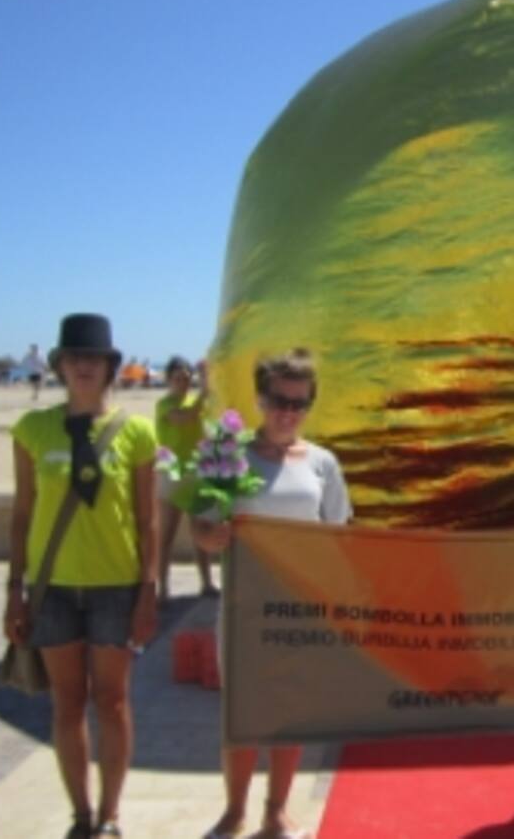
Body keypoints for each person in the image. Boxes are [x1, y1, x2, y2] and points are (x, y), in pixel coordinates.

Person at [2, 313, 159, 838]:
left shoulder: (137, 433)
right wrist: (13, 592)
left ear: (111, 367)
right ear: (61, 366)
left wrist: (148, 591)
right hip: (54, 589)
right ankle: (81, 815)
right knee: (67, 703)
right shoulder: (32, 429)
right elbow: (22, 514)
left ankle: (112, 815)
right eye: (74, 358)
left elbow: (147, 519)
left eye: (93, 358)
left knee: (113, 701)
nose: (83, 366)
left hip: (117, 586)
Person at [193, 349, 351, 839]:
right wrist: (207, 536)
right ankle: (235, 809)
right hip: (245, 606)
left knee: (290, 713)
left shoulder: (324, 463)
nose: (288, 411)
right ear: (260, 399)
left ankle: (276, 811)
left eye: (299, 403)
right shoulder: (227, 453)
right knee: (241, 712)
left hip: (300, 608)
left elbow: (339, 534)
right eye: (279, 400)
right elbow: (200, 521)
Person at [154, 355, 217, 602]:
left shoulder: (196, 402)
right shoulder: (165, 404)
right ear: (169, 380)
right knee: (166, 535)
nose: (182, 382)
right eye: (177, 378)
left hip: (195, 471)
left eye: (185, 378)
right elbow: (185, 417)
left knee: (201, 531)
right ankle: (162, 588)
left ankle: (207, 582)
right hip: (171, 473)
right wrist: (204, 390)